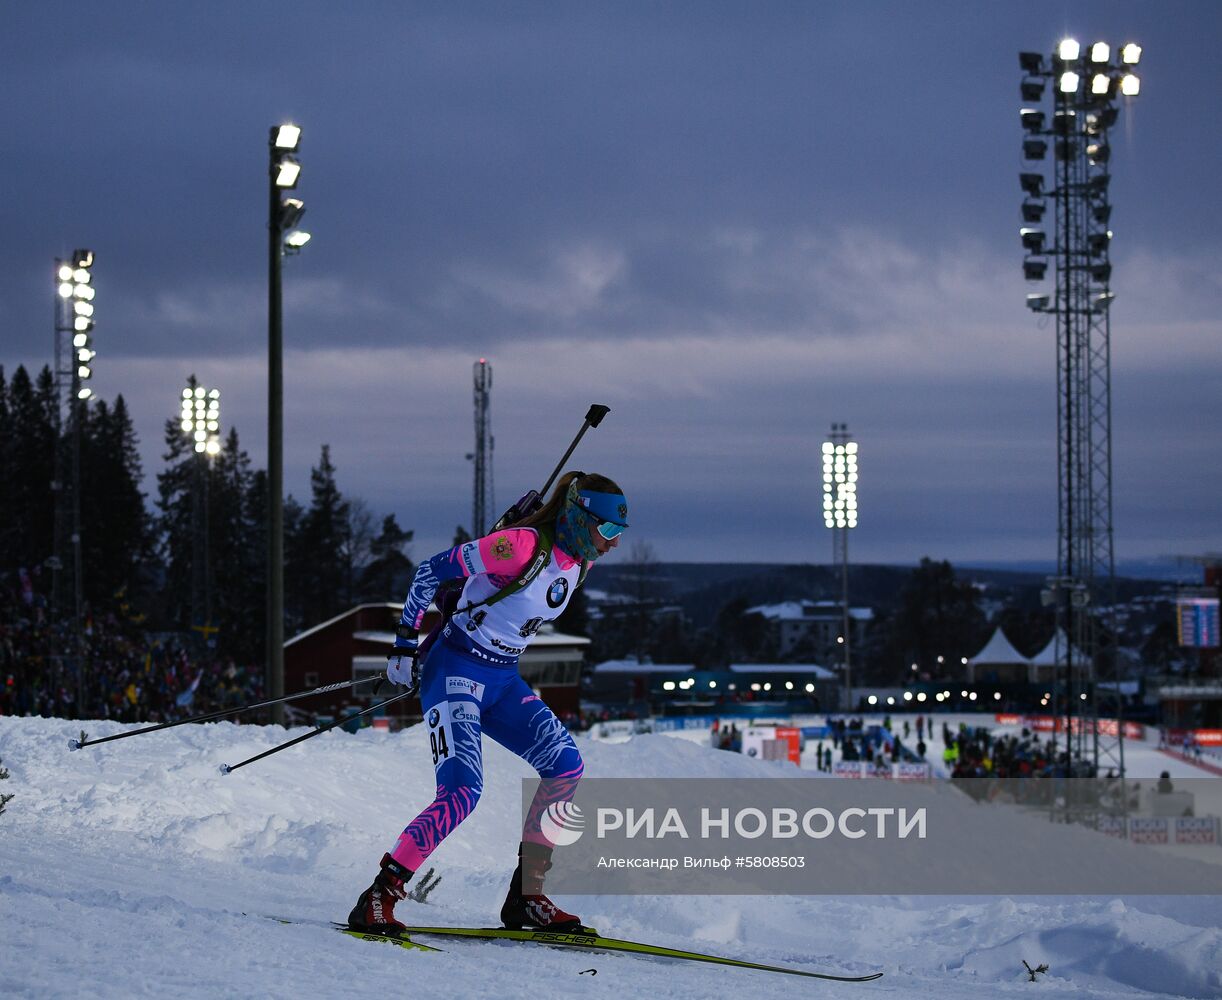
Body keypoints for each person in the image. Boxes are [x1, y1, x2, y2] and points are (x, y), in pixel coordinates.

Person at [348, 471, 628, 935]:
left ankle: (527, 897)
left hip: (501, 678)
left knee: (565, 766)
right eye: (609, 530)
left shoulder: (581, 561)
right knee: (461, 793)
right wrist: (402, 645)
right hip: (455, 670)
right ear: (580, 519)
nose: (614, 544)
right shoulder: (520, 546)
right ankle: (379, 897)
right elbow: (428, 573)